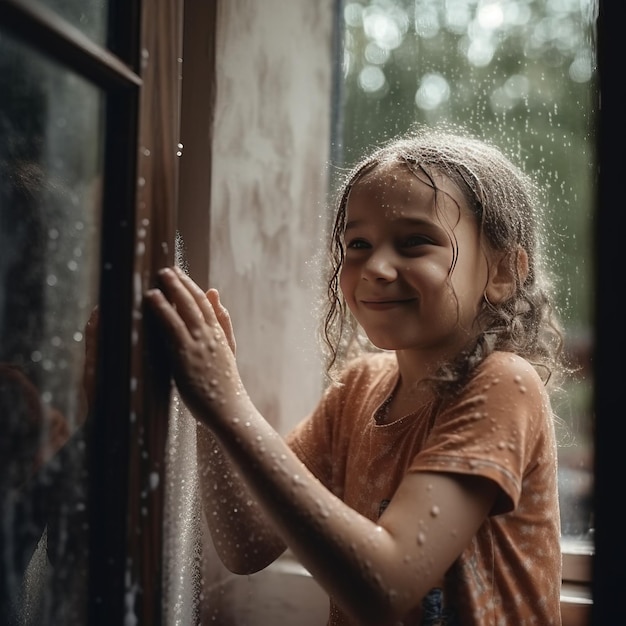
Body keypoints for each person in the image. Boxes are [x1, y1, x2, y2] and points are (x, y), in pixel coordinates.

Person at [145, 126, 565, 625]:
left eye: (414, 243)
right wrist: (207, 406)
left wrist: (228, 402)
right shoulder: (359, 389)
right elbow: (245, 541)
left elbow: (386, 589)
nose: (377, 267)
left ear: (503, 273)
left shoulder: (503, 383)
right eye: (358, 243)